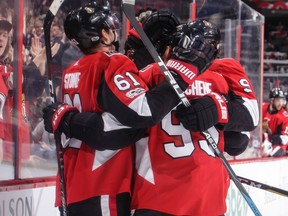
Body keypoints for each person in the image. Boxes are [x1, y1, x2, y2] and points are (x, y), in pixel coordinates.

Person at [43, 12, 258, 215]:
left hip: (154, 198)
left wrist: (66, 119)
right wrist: (219, 108)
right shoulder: (218, 77)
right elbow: (239, 137)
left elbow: (114, 125)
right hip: (205, 199)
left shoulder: (148, 75)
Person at [262, 87, 288, 157]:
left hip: (279, 144)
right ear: (272, 100)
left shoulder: (284, 116)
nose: (280, 103)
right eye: (278, 100)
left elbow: (285, 139)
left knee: (270, 156)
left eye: (282, 100)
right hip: (265, 140)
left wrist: (270, 138)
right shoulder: (263, 108)